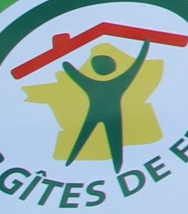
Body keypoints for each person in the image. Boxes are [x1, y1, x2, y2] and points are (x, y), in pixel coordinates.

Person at [62, 38, 154, 169]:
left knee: (83, 141)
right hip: (112, 115)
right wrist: (145, 46)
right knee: (115, 145)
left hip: (98, 114)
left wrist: (65, 61)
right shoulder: (121, 82)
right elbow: (137, 64)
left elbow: (70, 70)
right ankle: (116, 166)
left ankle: (70, 161)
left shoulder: (89, 84)